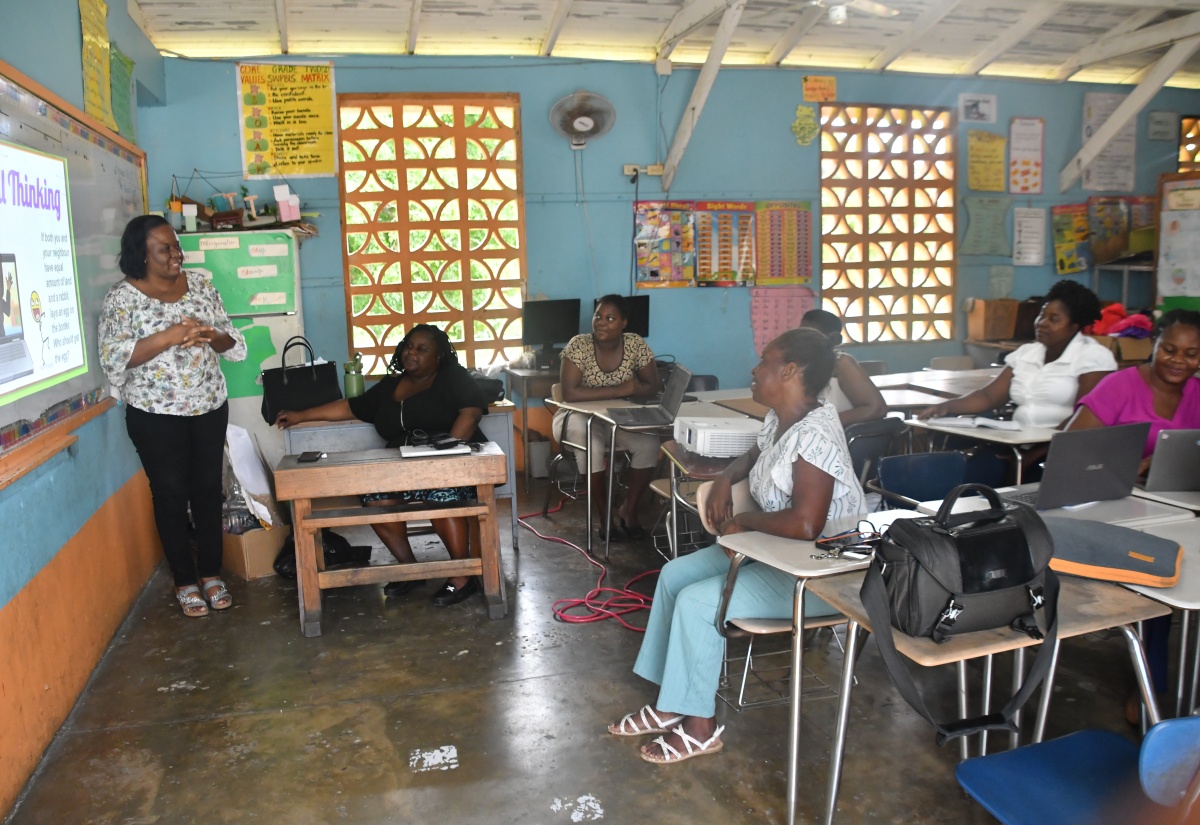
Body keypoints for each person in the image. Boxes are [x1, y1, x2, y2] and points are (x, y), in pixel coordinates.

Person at [608, 327, 866, 764]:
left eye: (764, 360)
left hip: (823, 575)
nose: (754, 368)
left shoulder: (817, 434)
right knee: (673, 576)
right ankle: (673, 701)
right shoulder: (782, 419)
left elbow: (806, 524)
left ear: (789, 371)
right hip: (775, 553)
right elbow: (754, 454)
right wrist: (726, 477)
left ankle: (700, 727)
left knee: (697, 602)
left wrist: (742, 520)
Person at [275, 324, 489, 607]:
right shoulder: (390, 385)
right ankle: (409, 570)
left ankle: (462, 577)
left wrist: (444, 459)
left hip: (449, 462)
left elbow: (471, 413)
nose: (412, 352)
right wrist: (301, 415)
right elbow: (351, 407)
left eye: (422, 349)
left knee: (442, 496)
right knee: (376, 498)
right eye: (409, 346)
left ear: (438, 357)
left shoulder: (453, 377)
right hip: (400, 464)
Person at [98, 215, 247, 618]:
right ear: (141, 255)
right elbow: (115, 359)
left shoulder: (200, 285)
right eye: (164, 249)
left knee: (205, 489)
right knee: (169, 492)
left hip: (208, 405)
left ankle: (212, 574)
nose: (175, 255)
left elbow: (231, 342)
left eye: (176, 246)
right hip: (154, 413)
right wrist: (170, 336)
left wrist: (209, 335)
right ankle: (184, 580)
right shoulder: (122, 299)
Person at [1065, 308, 1200, 721]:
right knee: (1158, 590)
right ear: (1154, 345)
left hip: (1182, 505)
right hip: (1119, 506)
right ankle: (1150, 689)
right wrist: (1133, 465)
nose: (1179, 360)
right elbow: (1072, 450)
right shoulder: (1119, 386)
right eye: (1170, 349)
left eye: (1192, 354)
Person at [918, 280, 1116, 429]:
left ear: (1075, 326)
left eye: (1054, 319)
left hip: (1061, 448)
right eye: (1041, 315)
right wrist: (948, 407)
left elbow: (1083, 418)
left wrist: (1039, 450)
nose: (1042, 323)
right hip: (1017, 441)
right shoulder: (1027, 353)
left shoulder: (1094, 357)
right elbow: (989, 396)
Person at [552, 294, 661, 540]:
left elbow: (653, 385)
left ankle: (628, 510)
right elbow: (570, 394)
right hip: (576, 418)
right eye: (598, 316)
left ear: (624, 323)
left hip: (615, 419)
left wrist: (637, 389)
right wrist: (625, 389)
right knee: (592, 443)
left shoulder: (634, 344)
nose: (601, 322)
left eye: (610, 318)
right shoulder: (578, 345)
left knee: (649, 443)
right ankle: (604, 516)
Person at [799, 308, 887, 427]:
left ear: (834, 339)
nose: (803, 340)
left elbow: (876, 409)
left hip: (836, 438)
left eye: (811, 335)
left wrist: (824, 423)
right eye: (801, 334)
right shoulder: (800, 364)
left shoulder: (841, 363)